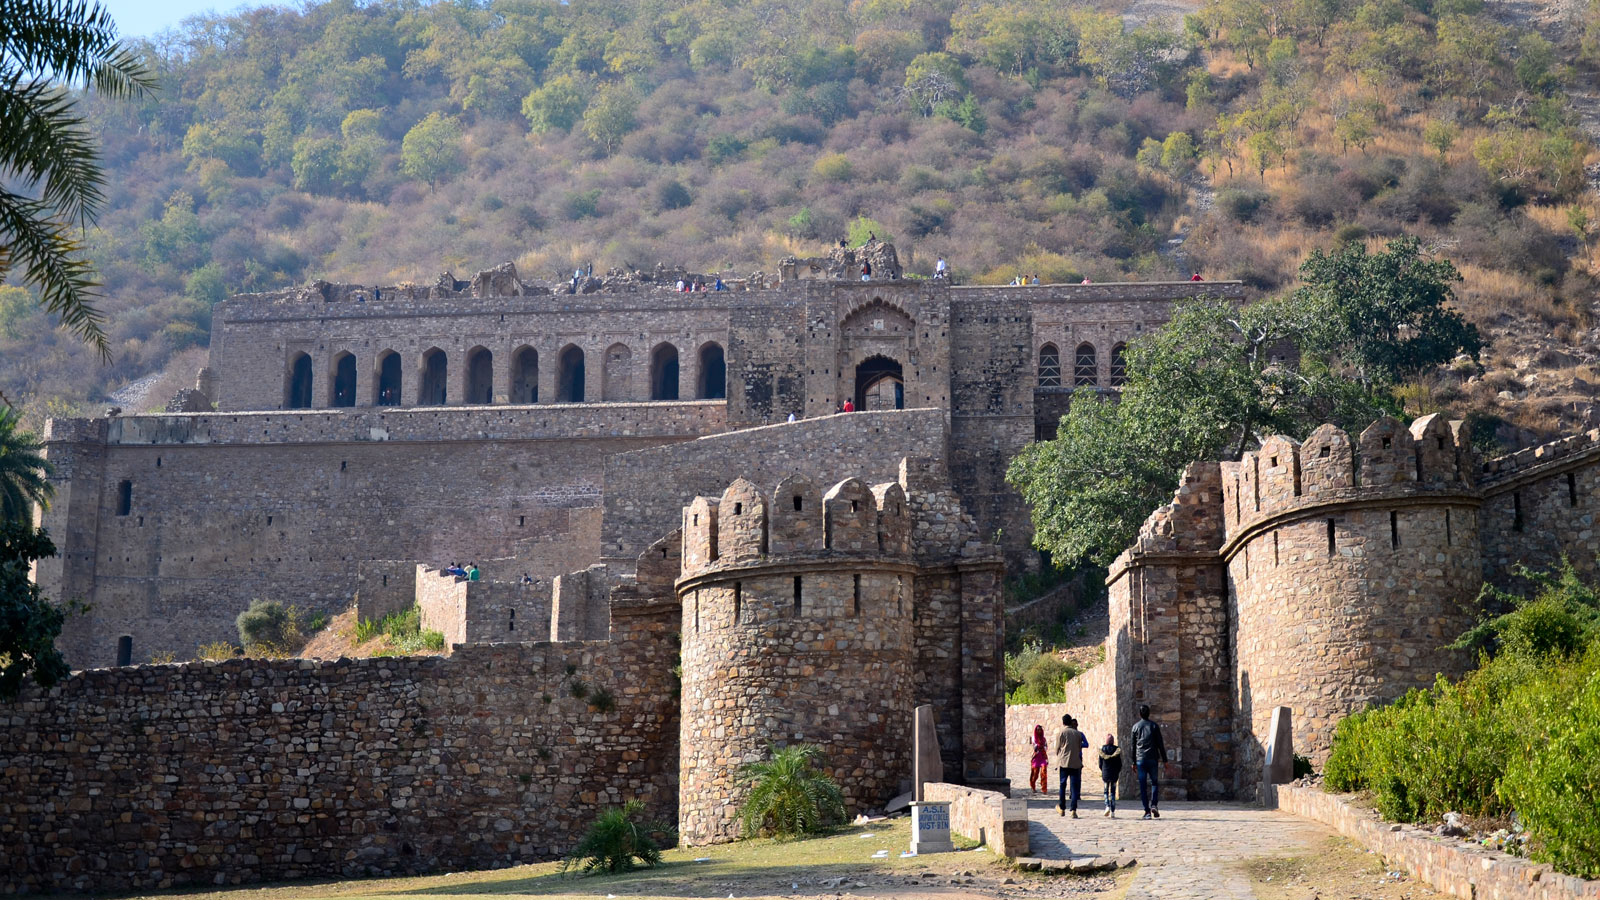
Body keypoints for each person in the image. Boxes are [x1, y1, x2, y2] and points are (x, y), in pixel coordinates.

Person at [1131, 704, 1167, 819]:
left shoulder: (1135, 727)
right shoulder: (1154, 726)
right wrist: (1165, 759)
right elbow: (1160, 744)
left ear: (1140, 714)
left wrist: (1133, 762)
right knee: (1154, 782)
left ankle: (1146, 811)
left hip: (1141, 759)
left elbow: (1133, 746)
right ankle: (1154, 804)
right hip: (1152, 758)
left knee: (1142, 785)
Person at [1054, 714, 1088, 818]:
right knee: (1074, 787)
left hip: (1064, 762)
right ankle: (1073, 810)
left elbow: (1057, 749)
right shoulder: (1077, 734)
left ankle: (1062, 807)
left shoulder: (1061, 733)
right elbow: (1079, 748)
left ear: (1063, 722)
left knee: (1062, 785)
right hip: (1075, 763)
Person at [1097, 733, 1123, 818]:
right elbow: (1119, 764)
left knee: (1105, 791)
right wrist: (1117, 771)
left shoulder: (1102, 750)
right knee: (1112, 792)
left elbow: (1100, 764)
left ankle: (1107, 805)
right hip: (1114, 774)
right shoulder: (1117, 750)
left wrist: (1103, 770)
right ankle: (1112, 811)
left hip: (1106, 773)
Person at [1029, 724, 1049, 794]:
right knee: (1035, 773)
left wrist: (1043, 748)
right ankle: (1032, 786)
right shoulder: (1034, 738)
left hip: (1043, 756)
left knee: (1044, 772)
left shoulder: (1044, 739)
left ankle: (1044, 789)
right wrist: (1038, 746)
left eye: (1040, 730)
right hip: (1036, 757)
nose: (1039, 731)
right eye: (1038, 730)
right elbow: (1034, 747)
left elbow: (1046, 747)